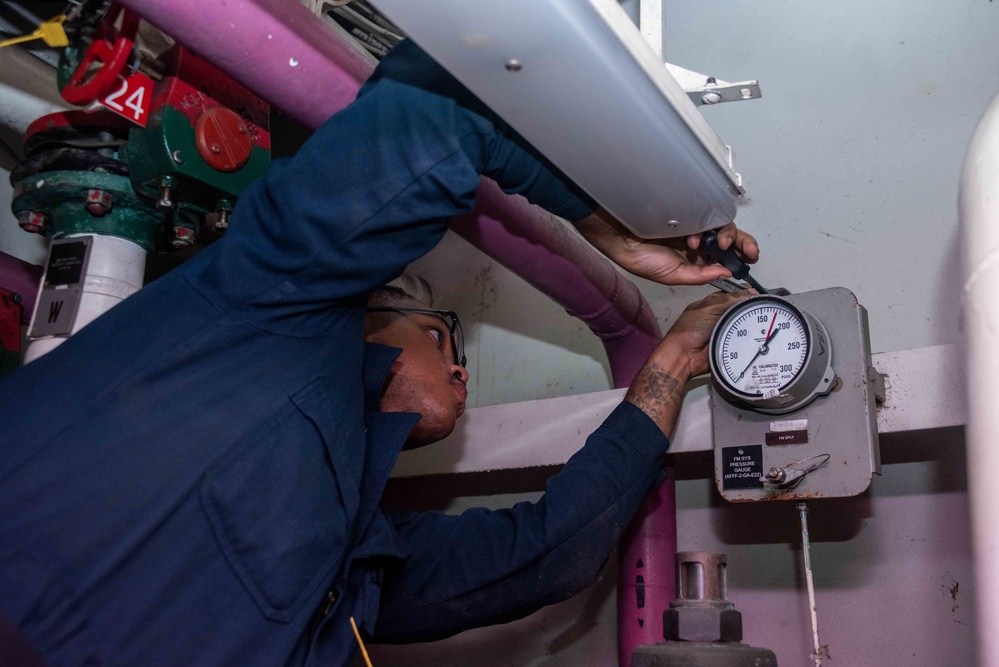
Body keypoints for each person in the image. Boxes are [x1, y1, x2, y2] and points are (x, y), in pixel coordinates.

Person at [0, 39, 757, 666]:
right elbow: (440, 105)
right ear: (369, 313)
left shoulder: (358, 562)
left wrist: (671, 361)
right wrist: (614, 228)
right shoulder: (264, 311)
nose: (462, 371)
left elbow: (549, 553)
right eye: (443, 335)